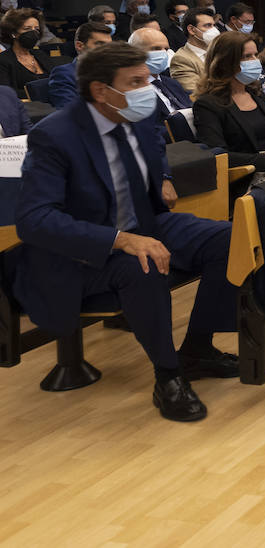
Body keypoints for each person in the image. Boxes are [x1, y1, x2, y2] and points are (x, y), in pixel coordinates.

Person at [14, 42, 239, 421]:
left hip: (142, 222)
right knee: (143, 266)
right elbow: (34, 219)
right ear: (100, 90)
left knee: (229, 238)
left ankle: (198, 348)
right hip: (81, 250)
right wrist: (119, 240)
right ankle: (168, 376)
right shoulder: (55, 136)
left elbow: (154, 144)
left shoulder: (135, 113)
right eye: (135, 82)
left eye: (147, 80)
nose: (146, 90)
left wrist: (163, 176)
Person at [192, 32, 265, 194]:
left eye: (255, 55)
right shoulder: (207, 104)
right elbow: (218, 156)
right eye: (246, 57)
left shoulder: (256, 94)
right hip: (247, 177)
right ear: (225, 63)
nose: (255, 61)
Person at [128, 27, 193, 121]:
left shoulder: (172, 83)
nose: (163, 53)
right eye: (156, 48)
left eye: (166, 49)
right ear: (135, 52)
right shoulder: (131, 89)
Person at [47, 21, 114, 109]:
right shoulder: (63, 74)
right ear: (79, 46)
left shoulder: (115, 72)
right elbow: (69, 109)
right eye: (100, 44)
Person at [0, 8, 53, 95]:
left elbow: (57, 81)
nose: (33, 33)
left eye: (36, 29)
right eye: (27, 29)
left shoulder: (41, 55)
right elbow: (6, 92)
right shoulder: (3, 60)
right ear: (13, 33)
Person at [170, 8, 219, 96]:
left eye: (214, 25)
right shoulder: (181, 59)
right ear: (192, 30)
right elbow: (195, 94)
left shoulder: (220, 51)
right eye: (208, 25)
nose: (214, 30)